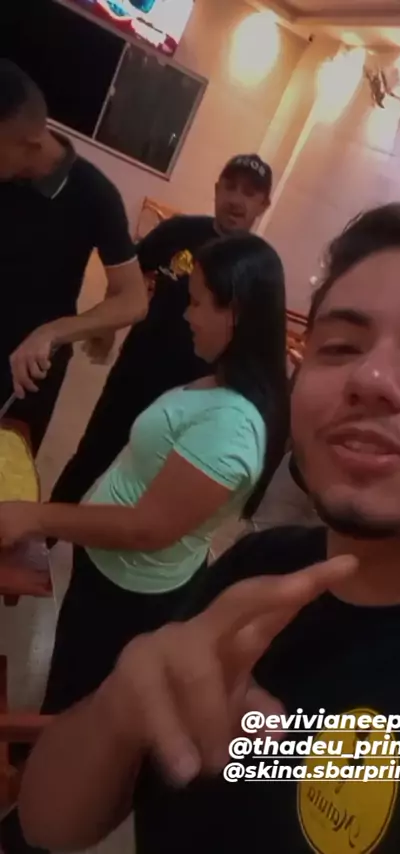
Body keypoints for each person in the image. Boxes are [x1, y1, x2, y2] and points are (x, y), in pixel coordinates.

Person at [16, 199, 400, 853]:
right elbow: (47, 825)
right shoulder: (254, 572)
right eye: (339, 347)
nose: (370, 377)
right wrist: (118, 707)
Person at [0, 231, 289, 854]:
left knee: (76, 714)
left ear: (236, 313)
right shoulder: (219, 383)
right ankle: (27, 790)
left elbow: (148, 527)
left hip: (129, 595)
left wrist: (35, 516)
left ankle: (31, 830)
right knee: (66, 695)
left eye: (199, 302)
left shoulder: (233, 425)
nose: (186, 313)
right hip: (111, 574)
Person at [49, 153, 273, 507]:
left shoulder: (258, 267)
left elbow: (256, 342)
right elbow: (129, 274)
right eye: (230, 187)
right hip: (136, 372)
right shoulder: (178, 232)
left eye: (249, 192)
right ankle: (42, 533)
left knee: (151, 488)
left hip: (195, 396)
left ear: (263, 204)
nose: (236, 200)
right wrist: (107, 327)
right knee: (90, 458)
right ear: (217, 189)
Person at [0, 60, 148, 454]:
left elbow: (133, 298)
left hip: (24, 370)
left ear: (30, 142)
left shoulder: (93, 194)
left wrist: (54, 331)